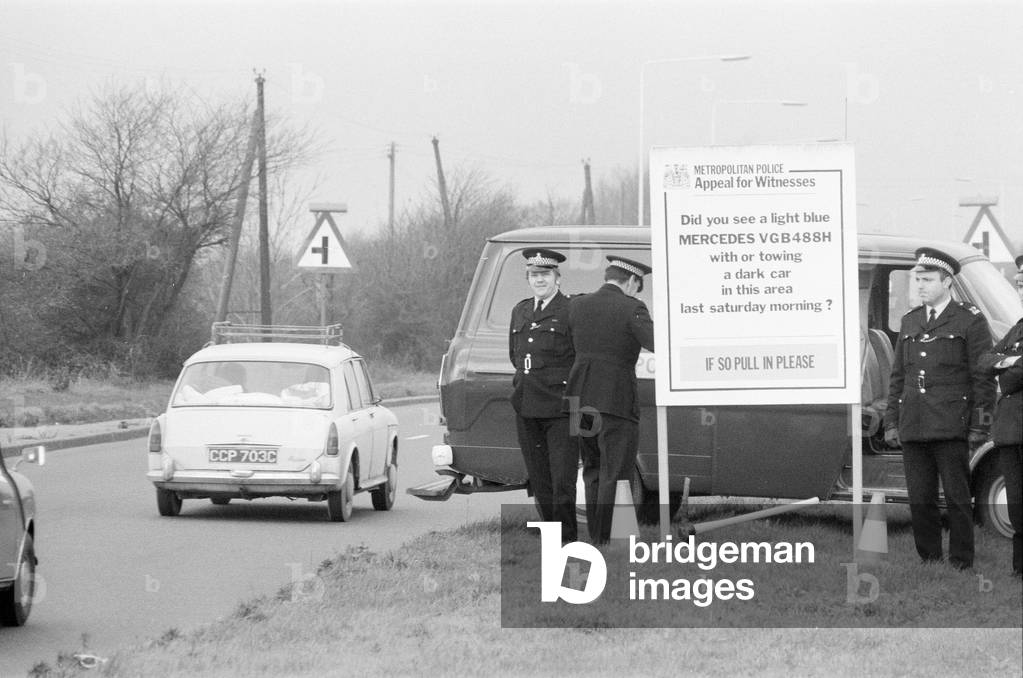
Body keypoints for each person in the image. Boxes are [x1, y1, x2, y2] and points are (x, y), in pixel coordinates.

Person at [884, 247, 996, 570]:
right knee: (920, 498)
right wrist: (892, 421)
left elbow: (983, 377)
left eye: (927, 279)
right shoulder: (910, 322)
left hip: (951, 425)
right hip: (914, 425)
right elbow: (898, 377)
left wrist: (980, 425)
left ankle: (961, 561)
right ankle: (929, 558)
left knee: (958, 499)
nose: (919, 285)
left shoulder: (969, 321)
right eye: (917, 279)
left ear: (946, 282)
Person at [565, 255, 654, 545]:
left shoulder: (576, 305)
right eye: (636, 288)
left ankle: (595, 535)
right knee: (615, 473)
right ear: (630, 281)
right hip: (616, 403)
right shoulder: (632, 308)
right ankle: (603, 539)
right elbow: (656, 343)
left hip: (581, 402)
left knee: (591, 469)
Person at [509, 248, 578, 543]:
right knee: (539, 477)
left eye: (545, 275)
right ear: (528, 278)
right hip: (527, 404)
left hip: (561, 406)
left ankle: (568, 537)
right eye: (534, 275)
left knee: (562, 479)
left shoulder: (571, 310)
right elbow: (515, 356)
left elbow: (579, 357)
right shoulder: (520, 310)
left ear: (557, 278)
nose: (539, 280)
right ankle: (551, 533)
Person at [979, 254, 1023, 577]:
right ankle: (1018, 571)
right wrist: (1009, 362)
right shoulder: (1019, 327)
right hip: (1010, 430)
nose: (1019, 284)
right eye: (1019, 280)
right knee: (1017, 504)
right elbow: (985, 360)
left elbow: (1010, 377)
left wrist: (1005, 367)